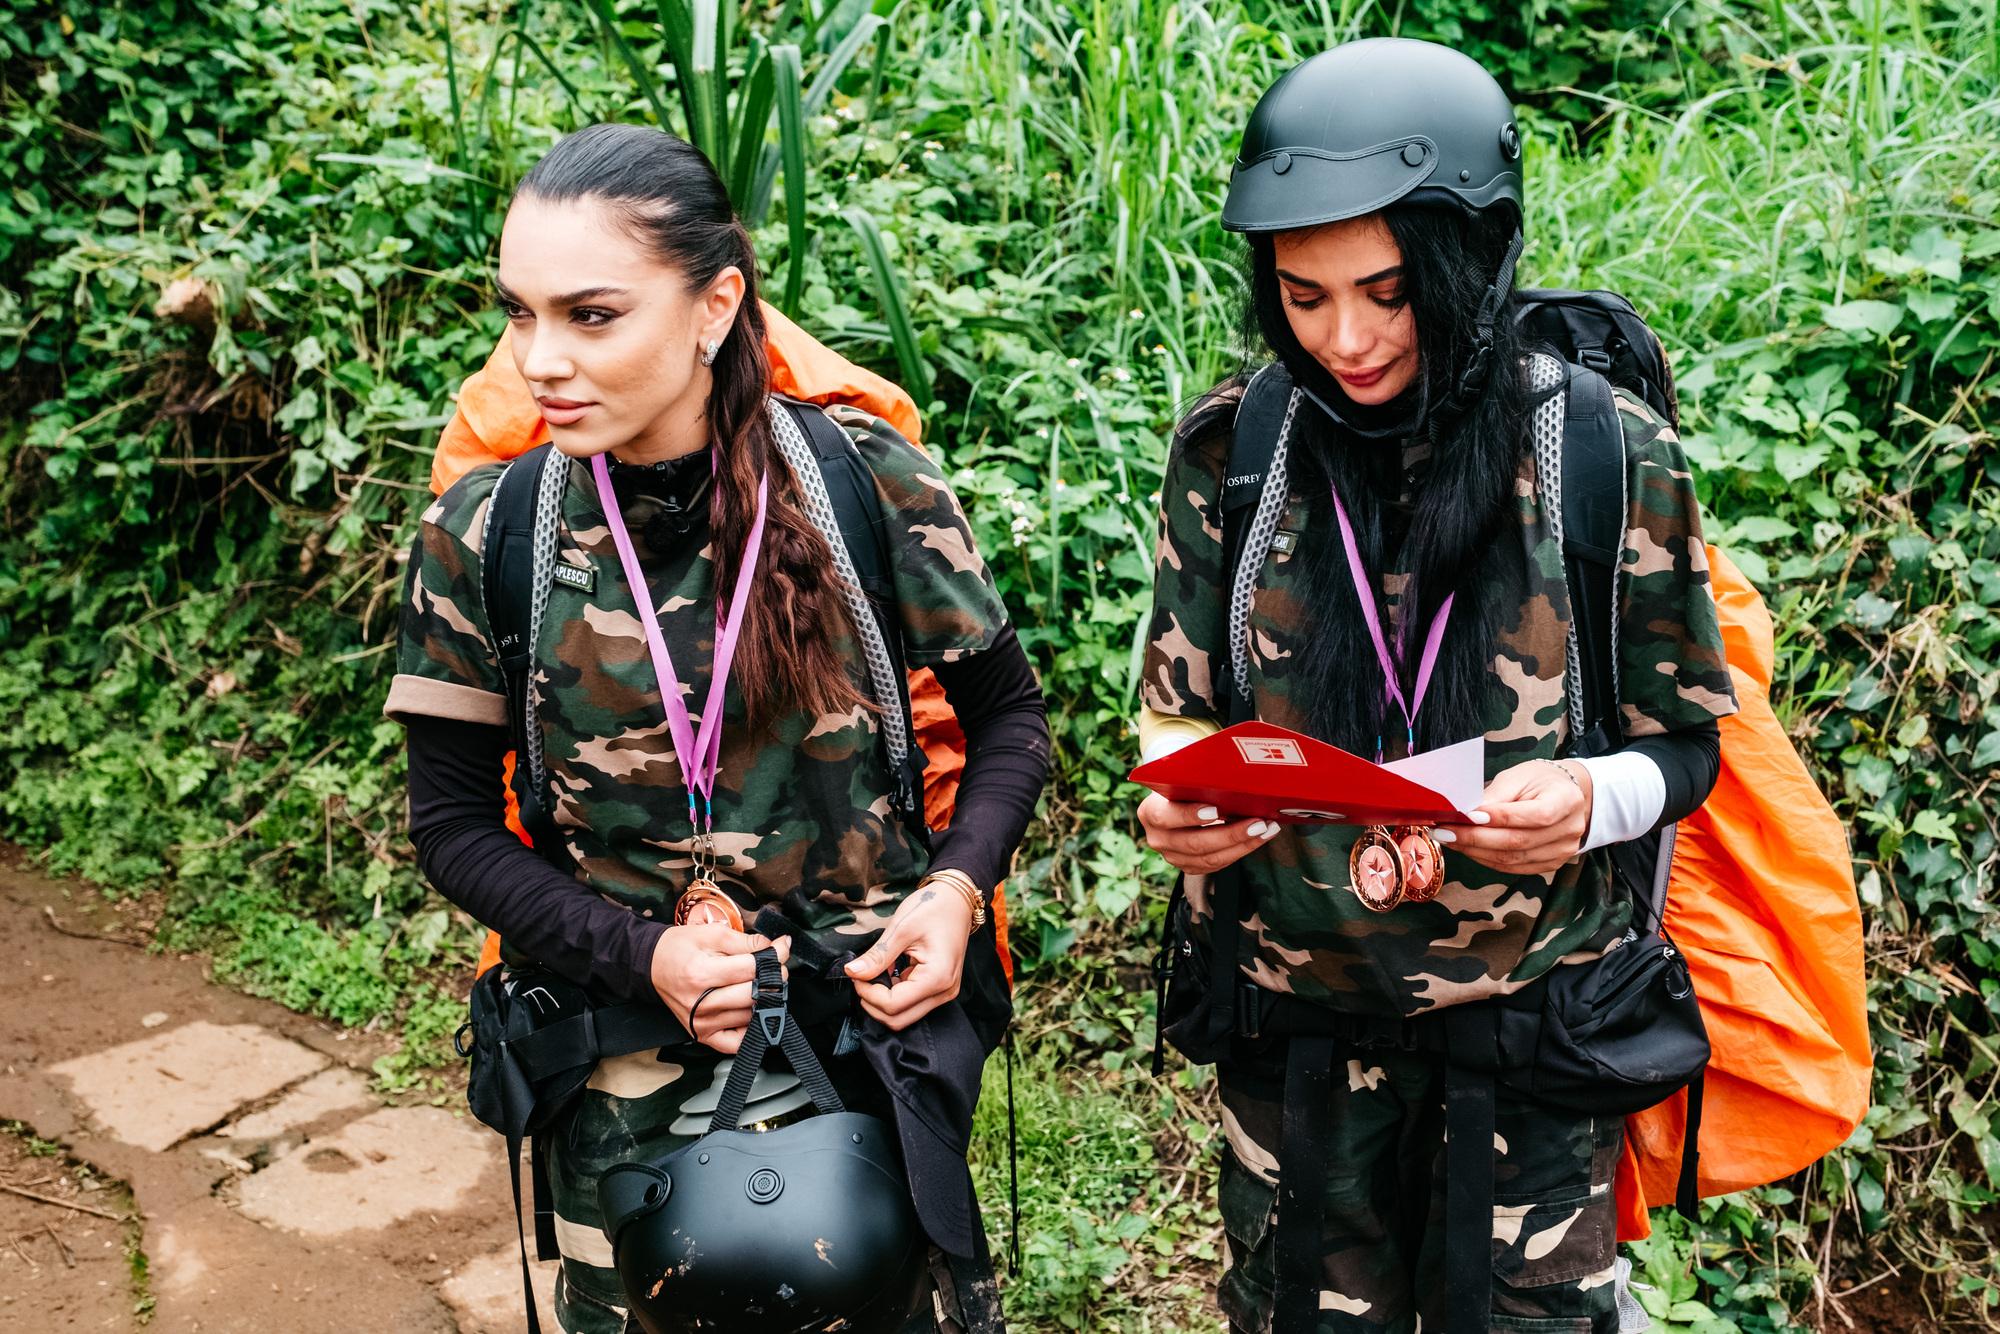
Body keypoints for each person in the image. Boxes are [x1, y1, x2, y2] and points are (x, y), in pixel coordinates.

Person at [386, 122, 1048, 1333]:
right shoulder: (486, 531)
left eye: (591, 315)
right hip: (618, 1062)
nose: (540, 358)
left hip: (863, 1038)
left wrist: (954, 893)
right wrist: (644, 954)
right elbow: (451, 825)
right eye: (520, 313)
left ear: (714, 306)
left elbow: (1008, 719)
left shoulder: (864, 483)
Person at [1137, 39, 1738, 1334]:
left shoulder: (1599, 452)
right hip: (1295, 1032)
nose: (1344, 339)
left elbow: (1686, 746)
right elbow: (1179, 719)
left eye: (1388, 291)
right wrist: (1178, 810)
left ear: (1471, 262)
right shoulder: (1238, 449)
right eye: (1301, 295)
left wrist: (1591, 798)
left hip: (1530, 1040)